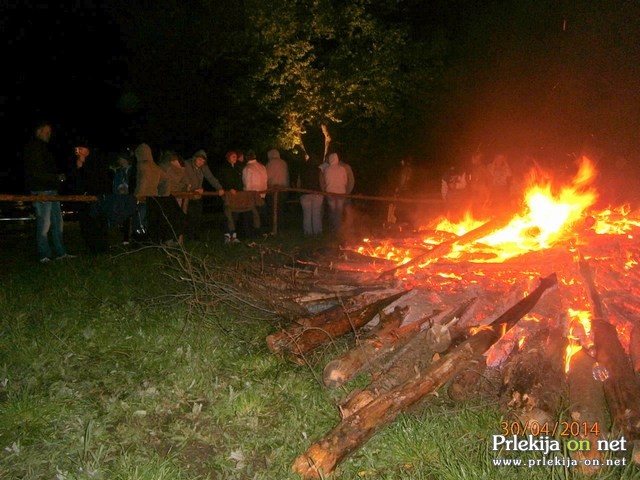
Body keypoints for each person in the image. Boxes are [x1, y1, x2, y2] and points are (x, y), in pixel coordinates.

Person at [23, 121, 73, 262]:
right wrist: (56, 177)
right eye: (46, 132)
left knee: (57, 222)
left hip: (51, 190)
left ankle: (60, 252)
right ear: (38, 132)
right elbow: (36, 173)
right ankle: (44, 254)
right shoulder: (33, 148)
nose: (49, 135)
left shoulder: (44, 148)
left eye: (50, 132)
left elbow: (45, 170)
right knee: (44, 224)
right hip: (41, 191)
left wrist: (57, 178)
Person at [64, 139, 111, 253]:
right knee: (86, 224)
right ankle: (91, 247)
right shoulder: (76, 161)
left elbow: (97, 179)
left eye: (81, 148)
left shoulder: (97, 159)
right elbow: (74, 180)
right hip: (82, 200)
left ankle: (102, 247)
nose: (78, 151)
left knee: (98, 223)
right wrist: (79, 167)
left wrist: (83, 166)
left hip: (97, 198)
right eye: (77, 149)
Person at [183, 149, 224, 240]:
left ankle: (196, 236)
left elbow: (210, 177)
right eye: (199, 160)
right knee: (189, 215)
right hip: (186, 195)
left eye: (203, 161)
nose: (201, 162)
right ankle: (188, 236)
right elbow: (184, 179)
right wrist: (192, 189)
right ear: (195, 158)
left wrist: (219, 188)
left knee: (197, 215)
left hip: (197, 195)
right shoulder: (186, 164)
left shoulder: (204, 167)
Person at [133, 143, 164, 239]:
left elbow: (143, 181)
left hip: (142, 197)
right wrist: (162, 194)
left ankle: (140, 239)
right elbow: (165, 180)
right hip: (153, 197)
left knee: (140, 219)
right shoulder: (156, 166)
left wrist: (137, 195)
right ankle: (149, 238)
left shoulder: (141, 165)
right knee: (148, 219)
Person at [217, 151, 244, 243]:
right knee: (228, 215)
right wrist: (228, 189)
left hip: (236, 196)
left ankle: (234, 235)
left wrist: (239, 189)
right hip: (227, 195)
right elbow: (222, 181)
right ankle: (227, 236)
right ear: (228, 158)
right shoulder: (224, 168)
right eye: (233, 156)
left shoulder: (237, 168)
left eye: (236, 156)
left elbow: (240, 181)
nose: (235, 158)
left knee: (235, 215)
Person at [111, 151, 137, 244]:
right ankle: (125, 236)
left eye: (121, 158)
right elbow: (116, 183)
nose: (119, 160)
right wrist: (119, 189)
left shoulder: (133, 170)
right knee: (123, 215)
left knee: (131, 215)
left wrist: (128, 189)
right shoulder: (119, 171)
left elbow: (134, 182)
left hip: (130, 197)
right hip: (121, 197)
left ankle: (130, 236)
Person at [320, 152, 349, 234]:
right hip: (341, 192)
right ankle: (338, 229)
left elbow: (325, 180)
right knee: (339, 211)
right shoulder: (342, 169)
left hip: (330, 192)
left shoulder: (327, 169)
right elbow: (345, 181)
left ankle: (332, 228)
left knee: (332, 211)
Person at [296, 152, 324, 235]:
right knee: (316, 213)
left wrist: (299, 192)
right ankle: (317, 231)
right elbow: (321, 182)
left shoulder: (302, 170)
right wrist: (323, 192)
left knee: (306, 214)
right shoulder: (318, 170)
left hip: (305, 194)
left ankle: (308, 232)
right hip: (317, 193)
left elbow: (298, 183)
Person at [242, 149, 268, 237]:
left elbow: (247, 183)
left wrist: (246, 194)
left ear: (246, 157)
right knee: (260, 214)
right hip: (262, 194)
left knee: (251, 215)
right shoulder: (262, 167)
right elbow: (265, 181)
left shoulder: (247, 168)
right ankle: (261, 232)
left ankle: (252, 233)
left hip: (251, 195)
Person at [265, 149, 289, 233]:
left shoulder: (269, 164)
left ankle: (273, 227)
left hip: (272, 189)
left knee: (272, 208)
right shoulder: (284, 163)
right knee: (281, 208)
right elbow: (287, 176)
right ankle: (282, 227)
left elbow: (267, 177)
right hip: (283, 189)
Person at [468, 152, 492, 217]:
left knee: (481, 207)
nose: (472, 160)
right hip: (474, 191)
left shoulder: (482, 167)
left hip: (481, 191)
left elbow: (490, 177)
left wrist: (487, 189)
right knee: (475, 208)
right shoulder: (473, 168)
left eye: (473, 158)